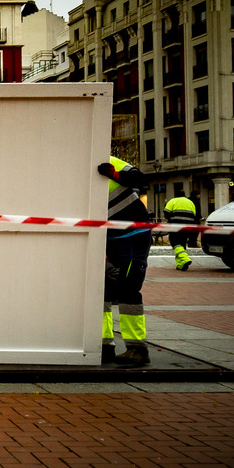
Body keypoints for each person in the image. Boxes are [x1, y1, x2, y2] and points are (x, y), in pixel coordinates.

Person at [98, 156, 152, 366]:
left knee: (128, 288)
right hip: (108, 237)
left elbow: (139, 178)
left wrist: (115, 175)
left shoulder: (107, 159)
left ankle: (137, 349)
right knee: (102, 290)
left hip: (133, 235)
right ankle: (103, 346)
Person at [164, 189, 199, 271]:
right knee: (182, 244)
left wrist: (170, 218)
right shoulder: (190, 202)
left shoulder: (173, 201)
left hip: (175, 226)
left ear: (175, 195)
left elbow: (166, 212)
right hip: (187, 227)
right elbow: (194, 215)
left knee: (174, 242)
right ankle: (181, 264)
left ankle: (185, 259)